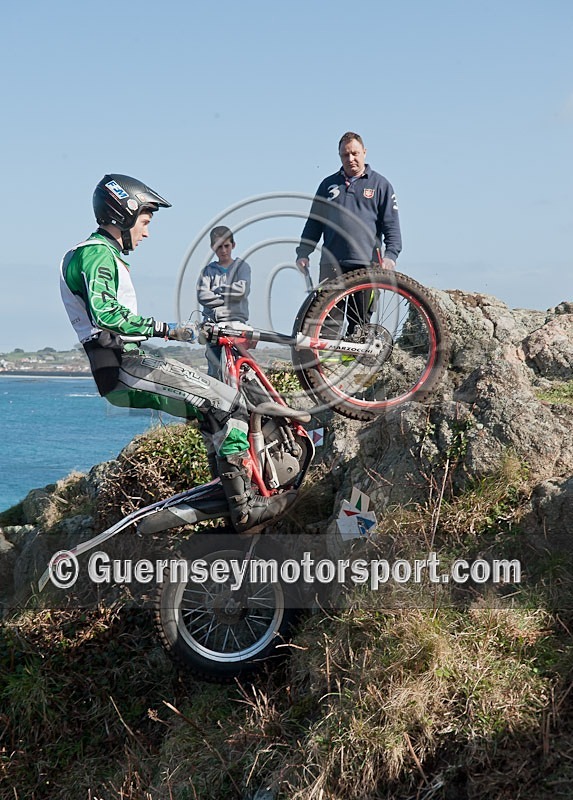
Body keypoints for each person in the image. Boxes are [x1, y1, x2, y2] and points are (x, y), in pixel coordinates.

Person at [59, 173, 296, 533]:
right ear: (124, 214)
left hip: (120, 366)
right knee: (228, 403)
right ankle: (245, 508)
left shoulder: (94, 255)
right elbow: (105, 313)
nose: (147, 232)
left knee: (209, 412)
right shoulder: (95, 255)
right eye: (145, 221)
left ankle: (230, 493)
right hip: (124, 363)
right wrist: (168, 330)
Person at [296, 131, 402, 280]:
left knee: (364, 305)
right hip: (331, 264)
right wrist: (303, 253)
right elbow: (314, 223)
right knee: (324, 304)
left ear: (364, 153)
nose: (350, 159)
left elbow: (391, 225)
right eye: (345, 155)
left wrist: (391, 255)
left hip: (367, 265)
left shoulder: (381, 185)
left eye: (355, 153)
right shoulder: (327, 185)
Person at [196, 225, 251, 378]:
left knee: (241, 368)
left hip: (237, 324)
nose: (224, 250)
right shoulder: (208, 271)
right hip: (213, 325)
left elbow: (242, 290)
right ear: (213, 248)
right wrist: (229, 297)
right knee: (215, 371)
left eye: (226, 246)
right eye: (219, 247)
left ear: (233, 245)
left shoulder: (242, 267)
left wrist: (218, 290)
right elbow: (202, 296)